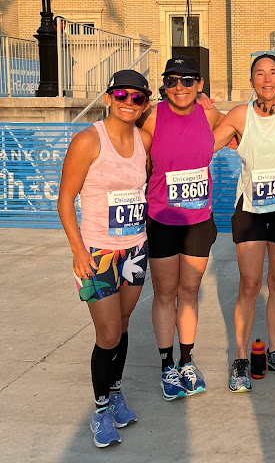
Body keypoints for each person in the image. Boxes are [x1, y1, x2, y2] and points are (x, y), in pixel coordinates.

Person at [57, 70, 153, 448]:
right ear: (109, 97)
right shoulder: (87, 141)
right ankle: (100, 411)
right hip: (97, 253)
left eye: (137, 97)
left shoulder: (144, 140)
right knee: (108, 333)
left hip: (135, 248)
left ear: (145, 103)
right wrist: (78, 250)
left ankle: (115, 393)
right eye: (122, 95)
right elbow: (65, 200)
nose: (129, 102)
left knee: (123, 325)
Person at [211, 53, 275, 392]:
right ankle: (241, 357)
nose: (267, 79)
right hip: (251, 210)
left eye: (273, 73)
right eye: (260, 74)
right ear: (251, 81)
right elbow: (206, 146)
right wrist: (203, 112)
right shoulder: (241, 114)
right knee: (250, 285)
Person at [138, 56, 224, 400]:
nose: (179, 87)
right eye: (172, 80)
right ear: (164, 85)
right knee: (164, 293)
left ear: (199, 84)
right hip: (161, 219)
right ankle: (166, 366)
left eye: (188, 80)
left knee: (189, 291)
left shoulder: (210, 115)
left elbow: (245, 128)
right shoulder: (152, 116)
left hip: (198, 222)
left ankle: (186, 360)